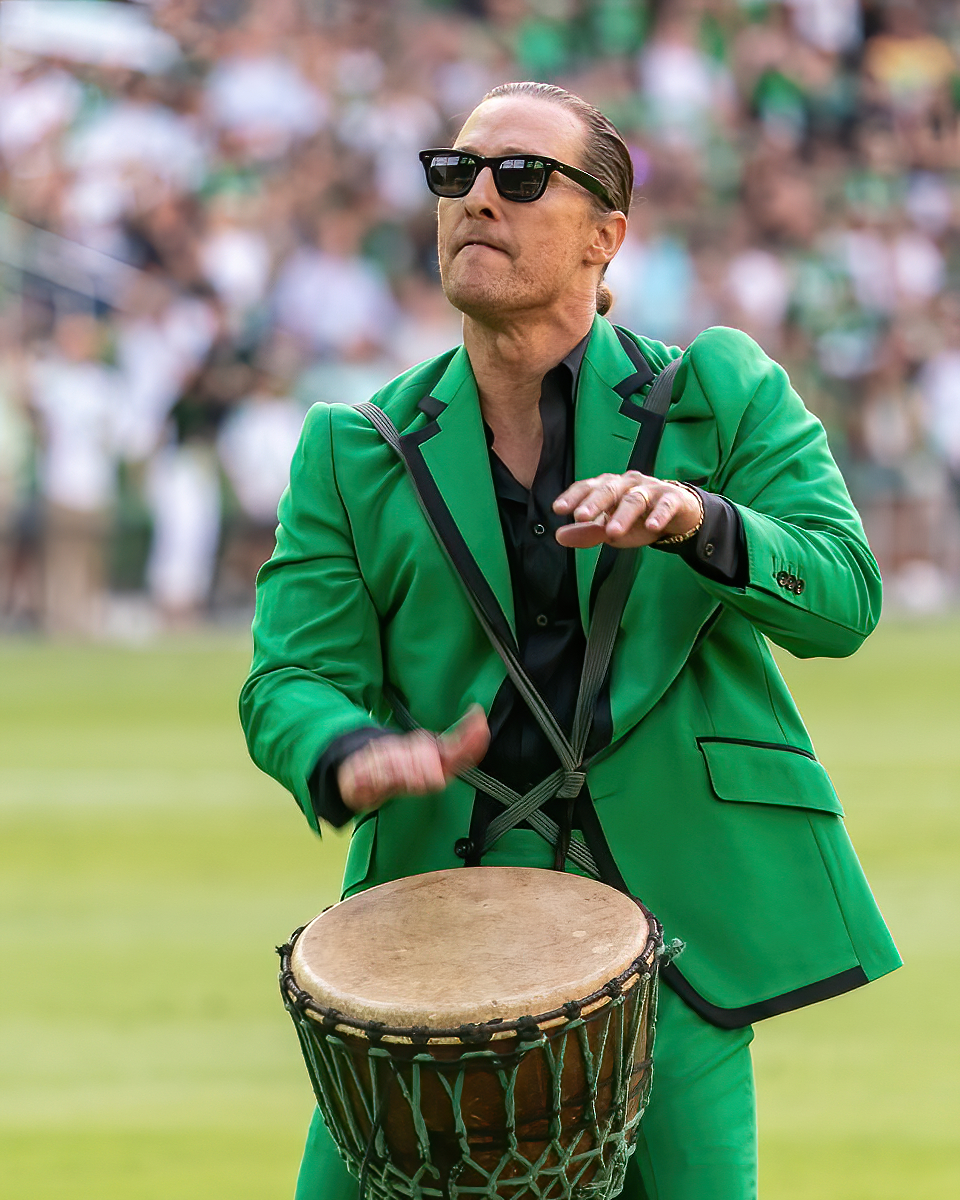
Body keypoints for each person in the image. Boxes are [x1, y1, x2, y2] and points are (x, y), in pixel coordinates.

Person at [240, 82, 901, 1200]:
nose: (477, 198)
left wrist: (703, 520)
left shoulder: (719, 391)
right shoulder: (350, 448)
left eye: (519, 175)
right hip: (431, 954)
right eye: (454, 173)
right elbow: (291, 678)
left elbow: (844, 596)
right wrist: (348, 748)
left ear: (607, 237)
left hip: (678, 939)